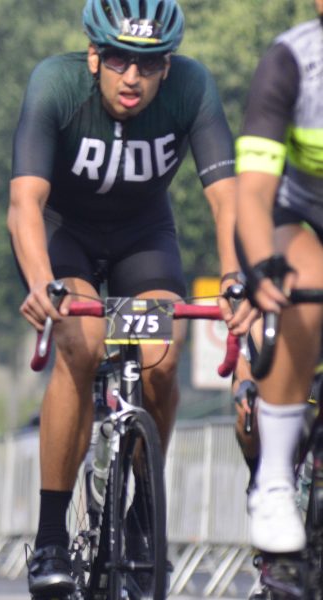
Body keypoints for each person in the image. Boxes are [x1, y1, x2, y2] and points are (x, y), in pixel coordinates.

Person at [7, 0, 254, 594]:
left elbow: (228, 199)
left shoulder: (192, 86)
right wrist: (42, 281)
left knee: (162, 360)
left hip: (145, 237)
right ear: (94, 56)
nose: (132, 77)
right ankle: (49, 538)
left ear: (168, 66)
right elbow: (25, 205)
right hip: (68, 237)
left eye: (149, 63)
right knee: (83, 344)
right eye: (119, 61)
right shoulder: (56, 84)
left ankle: (144, 512)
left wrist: (234, 276)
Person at [234, 0, 323, 563]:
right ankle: (272, 480)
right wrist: (260, 264)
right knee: (305, 283)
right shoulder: (292, 60)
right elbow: (253, 192)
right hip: (295, 213)